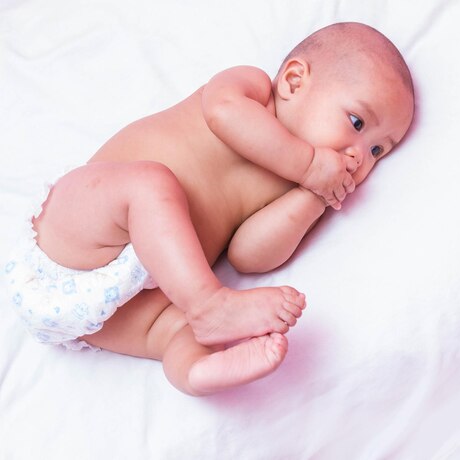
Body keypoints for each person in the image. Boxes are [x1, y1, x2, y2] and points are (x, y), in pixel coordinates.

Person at [4, 22, 414, 396]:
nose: (359, 155)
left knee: (178, 331)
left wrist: (314, 196)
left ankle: (193, 371)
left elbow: (248, 256)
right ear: (294, 80)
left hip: (115, 312)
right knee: (150, 184)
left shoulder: (292, 189)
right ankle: (209, 304)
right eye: (358, 124)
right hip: (78, 233)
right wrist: (307, 164)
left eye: (377, 150)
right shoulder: (255, 92)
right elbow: (221, 113)